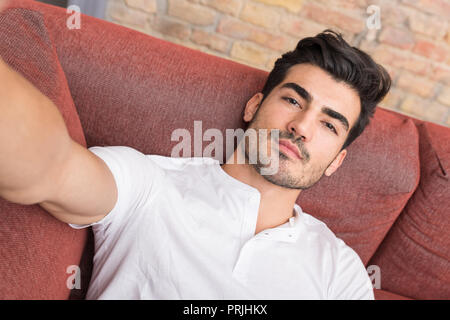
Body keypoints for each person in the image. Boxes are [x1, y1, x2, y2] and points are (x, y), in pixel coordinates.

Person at [0, 30, 391, 299]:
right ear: (254, 106)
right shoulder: (150, 185)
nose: (301, 127)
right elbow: (49, 166)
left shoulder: (340, 271)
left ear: (336, 161)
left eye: (328, 124)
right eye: (292, 100)